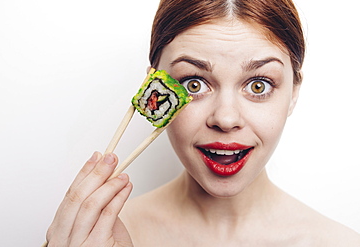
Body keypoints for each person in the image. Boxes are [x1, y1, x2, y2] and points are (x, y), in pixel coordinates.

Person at [44, 0, 360, 246]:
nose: (225, 118)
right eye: (193, 83)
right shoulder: (92, 237)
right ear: (154, 88)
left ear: (294, 93)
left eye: (259, 84)